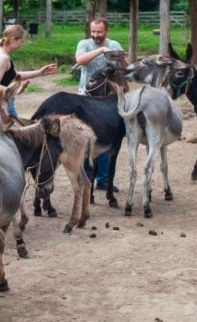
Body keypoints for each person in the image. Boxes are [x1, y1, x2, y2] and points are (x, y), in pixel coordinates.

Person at [75, 16, 125, 191]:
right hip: (86, 97)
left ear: (106, 31)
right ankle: (87, 176)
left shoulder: (115, 45)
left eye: (99, 32)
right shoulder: (84, 44)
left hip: (107, 99)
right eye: (93, 31)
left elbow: (123, 67)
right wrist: (102, 50)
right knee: (84, 138)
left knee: (106, 137)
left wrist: (121, 59)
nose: (95, 35)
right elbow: (80, 60)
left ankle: (103, 179)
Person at [0, 25, 57, 122]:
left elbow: (12, 75)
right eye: (21, 41)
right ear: (13, 39)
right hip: (3, 104)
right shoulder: (3, 58)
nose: (22, 44)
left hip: (4, 101)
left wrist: (40, 72)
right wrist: (15, 90)